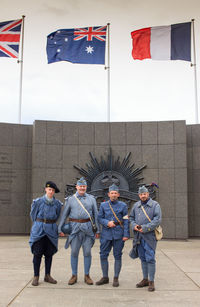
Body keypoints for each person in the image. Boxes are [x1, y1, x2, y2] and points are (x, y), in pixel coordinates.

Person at [58, 177, 100, 286]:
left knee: (87, 252)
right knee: (74, 252)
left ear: (86, 187)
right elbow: (64, 215)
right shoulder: (70, 199)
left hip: (88, 229)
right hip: (74, 229)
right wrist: (60, 228)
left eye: (84, 186)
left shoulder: (92, 199)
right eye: (80, 186)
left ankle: (87, 275)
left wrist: (98, 229)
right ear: (76, 187)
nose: (82, 188)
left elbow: (96, 214)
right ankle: (74, 275)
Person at [29, 181, 62, 286]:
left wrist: (50, 224)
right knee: (37, 253)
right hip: (39, 230)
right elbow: (33, 215)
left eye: (52, 190)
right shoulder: (38, 202)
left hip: (51, 230)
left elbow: (57, 216)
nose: (51, 191)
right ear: (45, 189)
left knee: (49, 254)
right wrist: (40, 224)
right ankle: (36, 276)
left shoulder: (57, 204)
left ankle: (47, 275)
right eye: (49, 189)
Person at [96, 184, 129, 287]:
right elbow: (99, 218)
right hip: (106, 234)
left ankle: (116, 278)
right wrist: (106, 222)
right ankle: (105, 277)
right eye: (112, 193)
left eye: (115, 193)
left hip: (119, 234)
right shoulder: (103, 205)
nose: (113, 195)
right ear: (108, 194)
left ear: (118, 194)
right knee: (103, 255)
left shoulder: (123, 206)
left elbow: (126, 221)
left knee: (117, 256)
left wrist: (126, 234)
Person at [129, 185, 162, 291]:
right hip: (138, 236)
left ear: (148, 194)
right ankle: (145, 279)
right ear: (139, 195)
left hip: (149, 236)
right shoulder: (136, 205)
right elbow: (131, 218)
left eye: (145, 194)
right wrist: (134, 225)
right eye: (141, 194)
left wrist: (145, 228)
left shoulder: (155, 205)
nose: (143, 196)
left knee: (150, 258)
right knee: (143, 258)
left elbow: (157, 220)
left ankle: (151, 281)